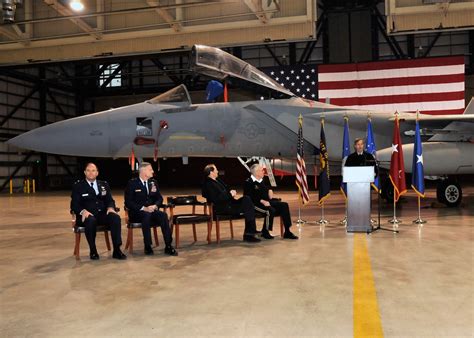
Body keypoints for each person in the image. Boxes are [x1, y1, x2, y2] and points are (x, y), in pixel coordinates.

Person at [71, 163, 126, 260]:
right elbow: (74, 205)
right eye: (88, 170)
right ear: (85, 172)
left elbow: (110, 200)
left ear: (97, 173)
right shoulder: (78, 186)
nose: (91, 173)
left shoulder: (104, 184)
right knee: (91, 220)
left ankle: (117, 250)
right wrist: (83, 211)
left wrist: (110, 207)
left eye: (93, 170)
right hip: (86, 216)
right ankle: (93, 250)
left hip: (102, 215)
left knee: (115, 218)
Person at [124, 162, 178, 256]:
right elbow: (128, 202)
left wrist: (155, 206)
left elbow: (159, 198)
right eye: (150, 169)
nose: (152, 171)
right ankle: (147, 246)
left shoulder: (153, 183)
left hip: (151, 210)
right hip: (137, 213)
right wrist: (143, 208)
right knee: (146, 215)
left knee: (163, 215)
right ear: (143, 171)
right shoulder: (132, 184)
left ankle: (168, 245)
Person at [201, 164, 261, 243]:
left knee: (247, 199)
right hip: (222, 208)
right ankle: (249, 234)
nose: (217, 171)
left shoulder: (217, 180)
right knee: (248, 207)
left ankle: (250, 232)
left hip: (229, 204)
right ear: (211, 172)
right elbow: (216, 198)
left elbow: (226, 190)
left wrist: (231, 192)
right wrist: (230, 194)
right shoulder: (208, 184)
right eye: (216, 170)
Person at [243, 164, 299, 240]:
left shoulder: (261, 180)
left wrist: (269, 191)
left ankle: (287, 231)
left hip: (266, 201)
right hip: (255, 204)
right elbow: (248, 197)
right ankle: (265, 232)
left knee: (284, 205)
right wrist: (262, 201)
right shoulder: (248, 182)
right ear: (256, 172)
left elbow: (266, 192)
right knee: (269, 210)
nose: (263, 171)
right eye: (262, 170)